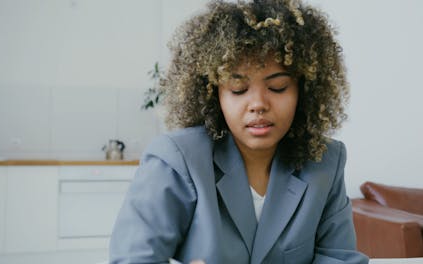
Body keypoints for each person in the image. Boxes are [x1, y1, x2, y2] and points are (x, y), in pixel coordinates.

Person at [110, 0, 368, 263]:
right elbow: (134, 258)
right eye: (238, 89)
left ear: (304, 91)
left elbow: (340, 258)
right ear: (213, 93)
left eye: (278, 87)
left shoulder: (325, 162)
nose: (258, 104)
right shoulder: (177, 159)